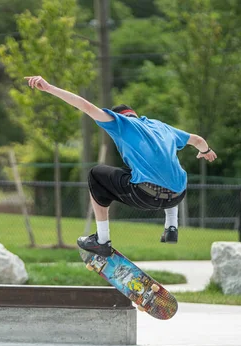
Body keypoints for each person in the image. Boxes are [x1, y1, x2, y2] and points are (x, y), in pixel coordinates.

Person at [25, 75, 217, 257]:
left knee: (96, 174)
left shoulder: (120, 123)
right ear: (136, 114)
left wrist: (49, 88)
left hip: (146, 195)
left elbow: (86, 106)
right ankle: (172, 226)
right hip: (178, 195)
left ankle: (102, 240)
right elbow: (198, 140)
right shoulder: (161, 127)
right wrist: (206, 151)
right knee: (167, 164)